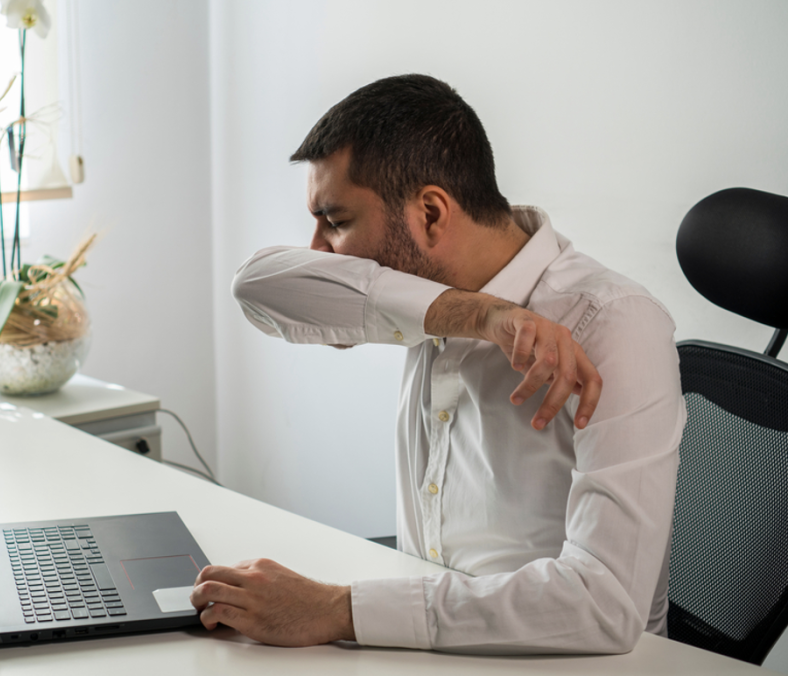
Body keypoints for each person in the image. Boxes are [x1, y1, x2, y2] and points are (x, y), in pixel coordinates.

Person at [190, 74, 685, 654]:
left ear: (429, 214)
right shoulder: (426, 302)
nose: (320, 251)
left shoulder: (613, 323)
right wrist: (479, 316)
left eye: (337, 220)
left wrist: (335, 608)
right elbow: (255, 285)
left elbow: (604, 605)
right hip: (429, 646)